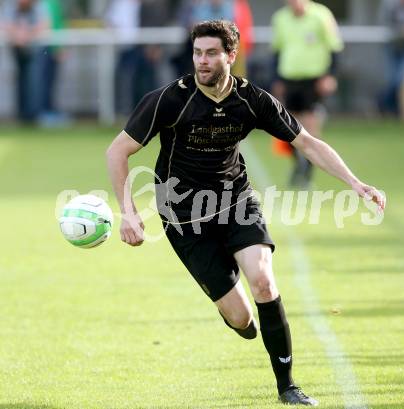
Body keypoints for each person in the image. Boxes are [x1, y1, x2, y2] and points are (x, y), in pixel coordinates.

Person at [106, 20, 385, 406]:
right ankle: (236, 304)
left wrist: (355, 183)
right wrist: (128, 213)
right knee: (240, 318)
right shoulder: (169, 99)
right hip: (184, 218)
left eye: (211, 53)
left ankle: (287, 386)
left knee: (265, 284)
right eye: (197, 53)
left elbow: (306, 142)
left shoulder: (252, 100)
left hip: (236, 202)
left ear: (231, 56)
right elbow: (117, 151)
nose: (202, 61)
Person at [271, 0, 343, 189]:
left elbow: (334, 48)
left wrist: (330, 76)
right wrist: (277, 80)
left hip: (314, 79)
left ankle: (307, 173)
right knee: (290, 129)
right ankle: (298, 166)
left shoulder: (321, 15)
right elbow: (277, 52)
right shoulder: (280, 18)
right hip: (289, 79)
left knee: (311, 128)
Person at [2, 0, 49, 122]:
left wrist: (27, 35)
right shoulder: (11, 6)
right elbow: (5, 24)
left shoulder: (38, 6)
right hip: (18, 50)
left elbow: (44, 24)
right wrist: (17, 35)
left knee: (34, 81)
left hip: (35, 50)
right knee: (21, 81)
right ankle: (23, 115)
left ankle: (33, 115)